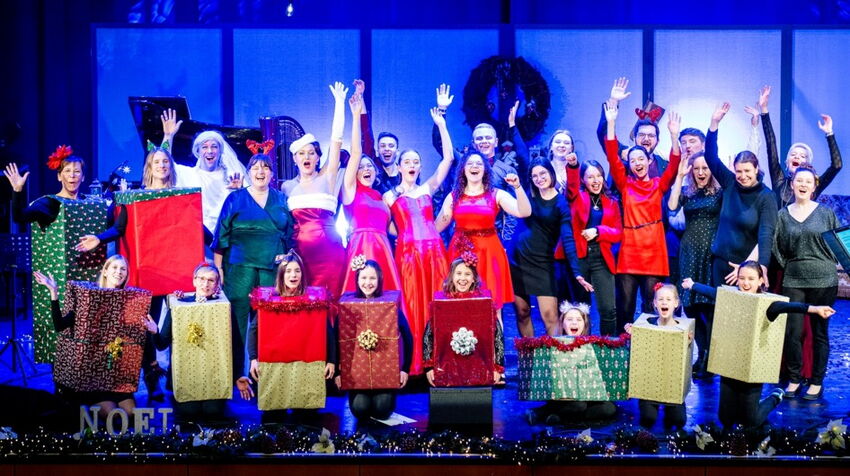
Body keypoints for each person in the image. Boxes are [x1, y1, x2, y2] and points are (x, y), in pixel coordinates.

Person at [683, 261, 835, 429]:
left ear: (761, 280)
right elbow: (712, 292)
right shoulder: (731, 297)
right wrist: (692, 285)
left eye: (751, 279)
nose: (746, 283)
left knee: (750, 421)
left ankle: (775, 396)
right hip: (731, 365)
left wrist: (815, 309)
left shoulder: (767, 304)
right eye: (742, 278)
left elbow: (789, 306)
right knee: (725, 419)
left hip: (753, 369)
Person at [33, 255, 158, 420]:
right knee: (112, 415)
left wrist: (152, 356)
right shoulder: (89, 296)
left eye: (123, 269)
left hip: (119, 376)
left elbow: (140, 337)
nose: (119, 272)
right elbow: (60, 326)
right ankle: (86, 406)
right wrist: (53, 293)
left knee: (130, 414)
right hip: (94, 378)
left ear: (127, 274)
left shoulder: (132, 301)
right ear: (105, 271)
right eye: (114, 267)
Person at [384, 106, 455, 376]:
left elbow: (448, 158)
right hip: (408, 254)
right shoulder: (389, 196)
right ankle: (414, 364)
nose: (412, 165)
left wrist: (441, 124)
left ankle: (441, 360)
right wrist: (403, 235)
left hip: (434, 252)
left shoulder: (428, 187)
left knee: (437, 302)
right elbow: (386, 226)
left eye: (416, 162)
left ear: (420, 166)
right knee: (412, 305)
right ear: (399, 166)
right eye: (407, 162)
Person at [212, 149, 292, 378]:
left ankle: (268, 378)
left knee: (269, 321)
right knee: (236, 322)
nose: (260, 171)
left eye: (265, 167)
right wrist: (218, 269)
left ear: (272, 174)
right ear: (248, 173)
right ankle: (235, 375)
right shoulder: (235, 198)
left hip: (272, 269)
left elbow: (290, 234)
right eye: (255, 167)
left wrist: (286, 261)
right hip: (238, 269)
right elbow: (221, 235)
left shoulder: (281, 198)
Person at [604, 100, 682, 331]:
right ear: (628, 164)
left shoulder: (659, 184)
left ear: (649, 161)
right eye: (633, 160)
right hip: (630, 249)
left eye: (641, 159)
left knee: (651, 306)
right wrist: (611, 123)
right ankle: (621, 346)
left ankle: (649, 347)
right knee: (625, 307)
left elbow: (674, 164)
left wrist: (674, 136)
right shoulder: (625, 184)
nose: (637, 163)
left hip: (654, 249)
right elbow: (612, 155)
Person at [435, 151, 532, 319]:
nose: (474, 166)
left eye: (479, 163)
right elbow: (437, 227)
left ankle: (495, 337)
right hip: (460, 253)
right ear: (463, 169)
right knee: (459, 303)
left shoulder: (497, 194)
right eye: (470, 163)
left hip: (489, 253)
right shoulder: (453, 196)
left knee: (493, 306)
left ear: (485, 169)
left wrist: (518, 187)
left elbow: (524, 212)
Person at [772, 165, 840, 400]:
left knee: (820, 333)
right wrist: (790, 265)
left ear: (814, 187)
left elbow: (839, 242)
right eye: (799, 180)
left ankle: (816, 382)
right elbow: (777, 247)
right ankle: (794, 378)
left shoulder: (826, 213)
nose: (803, 185)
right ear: (792, 184)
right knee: (792, 332)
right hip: (793, 278)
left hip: (824, 280)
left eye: (808, 181)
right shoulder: (783, 215)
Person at [432, 84, 529, 244]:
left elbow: (512, 215)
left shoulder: (507, 170)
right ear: (473, 143)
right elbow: (440, 144)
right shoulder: (462, 162)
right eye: (479, 138)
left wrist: (505, 243)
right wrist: (441, 111)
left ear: (496, 142)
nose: (484, 141)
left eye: (488, 138)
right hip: (461, 239)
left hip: (492, 240)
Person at [242, 252, 337, 415]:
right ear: (281, 274)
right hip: (275, 367)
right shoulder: (269, 300)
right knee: (275, 416)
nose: (293, 275)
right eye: (288, 271)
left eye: (297, 271)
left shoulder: (314, 301)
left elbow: (328, 331)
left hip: (306, 365)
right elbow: (253, 330)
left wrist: (332, 361)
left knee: (305, 415)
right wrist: (253, 359)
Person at [281, 82, 348, 299]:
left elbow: (336, 140)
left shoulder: (327, 176)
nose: (307, 157)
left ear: (318, 157)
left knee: (331, 299)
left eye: (311, 153)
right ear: (294, 159)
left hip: (329, 252)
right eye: (301, 153)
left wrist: (339, 104)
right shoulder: (286, 187)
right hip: (300, 257)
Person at [510, 157, 590, 337]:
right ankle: (528, 353)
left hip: (543, 264)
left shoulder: (561, 203)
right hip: (517, 261)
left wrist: (577, 272)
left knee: (550, 316)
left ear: (551, 172)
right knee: (522, 312)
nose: (539, 178)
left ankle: (554, 354)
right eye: (534, 176)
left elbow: (568, 239)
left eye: (543, 173)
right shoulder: (528, 196)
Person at [152, 263, 241, 423]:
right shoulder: (180, 305)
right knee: (189, 414)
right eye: (201, 279)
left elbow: (236, 345)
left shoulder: (224, 307)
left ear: (217, 284)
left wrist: (238, 376)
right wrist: (154, 331)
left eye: (211, 280)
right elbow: (161, 344)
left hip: (215, 376)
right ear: (194, 280)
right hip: (187, 376)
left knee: (212, 412)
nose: (205, 284)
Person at [704, 102, 778, 290]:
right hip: (720, 261)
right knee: (718, 305)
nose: (743, 176)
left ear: (756, 169)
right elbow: (711, 157)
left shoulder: (766, 196)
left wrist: (761, 267)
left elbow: (766, 234)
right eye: (739, 171)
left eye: (747, 171)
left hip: (746, 268)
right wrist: (714, 123)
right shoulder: (730, 183)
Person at [667, 151, 722, 378]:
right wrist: (680, 177)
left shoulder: (720, 192)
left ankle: (710, 357)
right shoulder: (687, 192)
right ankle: (702, 354)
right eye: (697, 168)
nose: (701, 172)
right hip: (689, 251)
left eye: (705, 168)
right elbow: (671, 206)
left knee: (707, 307)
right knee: (690, 307)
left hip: (709, 252)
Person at [336, 260, 413, 421]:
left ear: (379, 280)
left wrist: (405, 369)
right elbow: (337, 337)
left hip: (384, 373)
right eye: (364, 278)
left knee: (381, 411)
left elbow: (408, 337)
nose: (368, 283)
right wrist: (338, 372)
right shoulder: (347, 306)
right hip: (358, 374)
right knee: (360, 410)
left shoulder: (390, 305)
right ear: (357, 279)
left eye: (372, 278)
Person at [340, 93, 401, 293]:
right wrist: (356, 116)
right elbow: (356, 152)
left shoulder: (382, 197)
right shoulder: (351, 190)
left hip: (383, 248)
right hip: (360, 247)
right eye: (361, 167)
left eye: (369, 166)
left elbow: (394, 229)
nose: (366, 169)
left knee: (386, 295)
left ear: (375, 172)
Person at [524, 302, 618, 425]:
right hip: (565, 396)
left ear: (585, 324)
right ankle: (542, 412)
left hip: (589, 394)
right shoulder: (554, 345)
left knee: (609, 408)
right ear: (562, 323)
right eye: (569, 319)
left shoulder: (593, 345)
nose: (574, 323)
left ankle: (562, 418)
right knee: (578, 405)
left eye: (578, 320)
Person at [160, 109, 247, 238]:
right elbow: (164, 161)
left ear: (220, 151)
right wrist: (168, 136)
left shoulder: (232, 177)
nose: (210, 151)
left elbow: (245, 211)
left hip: (226, 236)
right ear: (198, 151)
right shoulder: (188, 174)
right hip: (196, 235)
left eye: (214, 147)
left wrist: (239, 192)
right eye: (205, 147)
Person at [423, 257, 505, 386]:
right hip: (447, 372)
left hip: (479, 371)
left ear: (474, 278)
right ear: (452, 276)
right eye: (459, 273)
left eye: (467, 274)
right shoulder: (441, 303)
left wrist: (497, 367)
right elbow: (429, 335)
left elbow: (497, 335)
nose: (462, 278)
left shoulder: (483, 302)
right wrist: (429, 367)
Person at [757, 85, 843, 208]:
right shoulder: (779, 180)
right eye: (793, 154)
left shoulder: (813, 185)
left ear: (807, 165)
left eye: (803, 156)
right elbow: (771, 144)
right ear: (787, 163)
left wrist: (829, 133)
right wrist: (764, 109)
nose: (797, 157)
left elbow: (837, 165)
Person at [565, 157, 623, 336]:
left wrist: (598, 231)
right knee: (581, 309)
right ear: (583, 179)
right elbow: (571, 186)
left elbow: (618, 232)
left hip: (601, 258)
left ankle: (607, 347)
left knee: (608, 310)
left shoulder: (611, 202)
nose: (596, 180)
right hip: (580, 258)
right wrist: (573, 166)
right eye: (590, 177)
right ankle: (583, 345)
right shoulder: (576, 197)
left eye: (599, 176)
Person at [624, 284, 689, 430]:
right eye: (660, 299)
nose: (664, 302)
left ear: (676, 303)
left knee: (678, 421)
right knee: (648, 418)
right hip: (650, 382)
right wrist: (634, 335)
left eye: (668, 299)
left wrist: (688, 340)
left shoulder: (682, 329)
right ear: (654, 303)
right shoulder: (647, 325)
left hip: (672, 383)